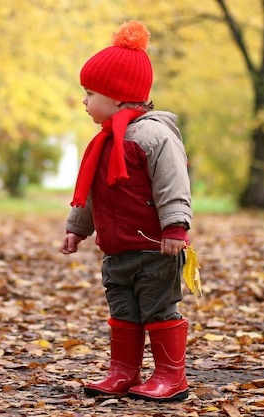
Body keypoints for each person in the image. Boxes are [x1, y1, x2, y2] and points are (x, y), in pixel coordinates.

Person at [60, 20, 192, 402]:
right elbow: (93, 193)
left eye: (89, 93)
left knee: (158, 308)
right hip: (116, 250)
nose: (84, 101)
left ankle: (171, 375)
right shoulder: (103, 141)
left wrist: (175, 228)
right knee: (124, 311)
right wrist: (77, 228)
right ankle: (123, 371)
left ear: (118, 97)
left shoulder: (153, 136)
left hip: (154, 249)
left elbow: (173, 185)